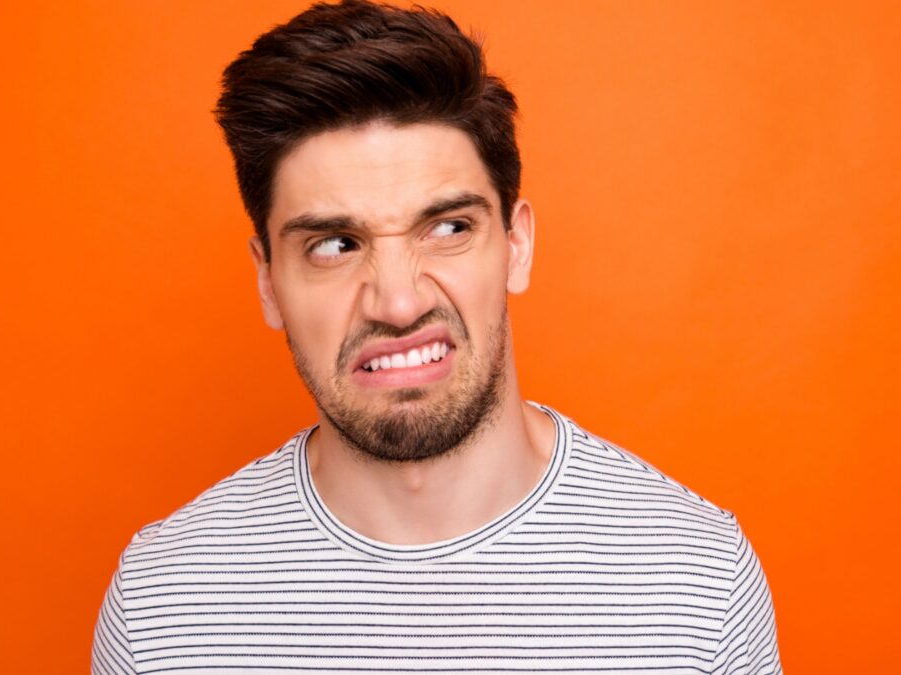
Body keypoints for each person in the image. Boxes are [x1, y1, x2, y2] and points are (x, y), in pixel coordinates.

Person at [91, 1, 782, 672]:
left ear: (516, 245)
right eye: (334, 244)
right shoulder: (160, 610)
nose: (397, 300)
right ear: (268, 281)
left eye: (448, 228)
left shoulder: (699, 585)